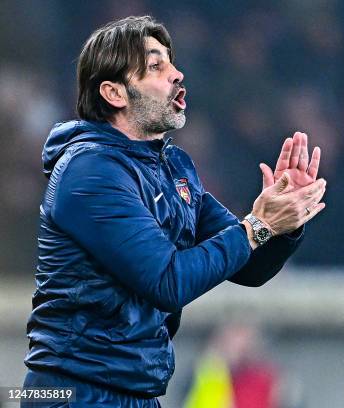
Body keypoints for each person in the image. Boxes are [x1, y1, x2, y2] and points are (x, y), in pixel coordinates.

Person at [21, 16, 326, 407]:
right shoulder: (89, 172)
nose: (178, 74)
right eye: (156, 66)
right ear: (115, 93)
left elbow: (249, 267)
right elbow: (167, 281)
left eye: (172, 62)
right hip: (74, 393)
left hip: (137, 392)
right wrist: (258, 225)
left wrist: (284, 220)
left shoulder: (174, 167)